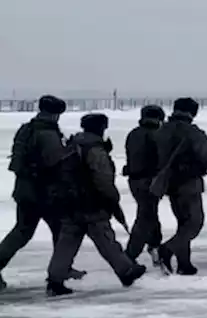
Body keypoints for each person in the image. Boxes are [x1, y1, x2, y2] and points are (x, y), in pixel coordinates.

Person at [45, 114, 147, 296]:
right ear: (101, 128)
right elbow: (103, 180)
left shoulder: (71, 146)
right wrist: (113, 200)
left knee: (66, 242)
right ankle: (126, 271)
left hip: (69, 203)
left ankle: (55, 279)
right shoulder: (94, 150)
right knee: (105, 239)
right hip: (91, 204)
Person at [0, 95, 84, 291]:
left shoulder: (27, 129)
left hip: (24, 190)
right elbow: (55, 162)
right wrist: (72, 150)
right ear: (55, 114)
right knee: (62, 231)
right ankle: (60, 272)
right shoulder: (47, 134)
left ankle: (62, 268)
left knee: (22, 232)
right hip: (43, 193)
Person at [153, 97, 207, 275]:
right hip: (189, 181)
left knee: (183, 222)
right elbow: (206, 153)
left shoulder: (162, 131)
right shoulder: (192, 132)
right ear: (193, 112)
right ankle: (167, 249)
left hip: (170, 182)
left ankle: (184, 264)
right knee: (194, 223)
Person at [123, 104, 167, 265]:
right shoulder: (156, 135)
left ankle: (155, 245)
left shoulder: (133, 134)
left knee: (149, 213)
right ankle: (130, 255)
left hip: (134, 180)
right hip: (149, 181)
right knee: (145, 217)